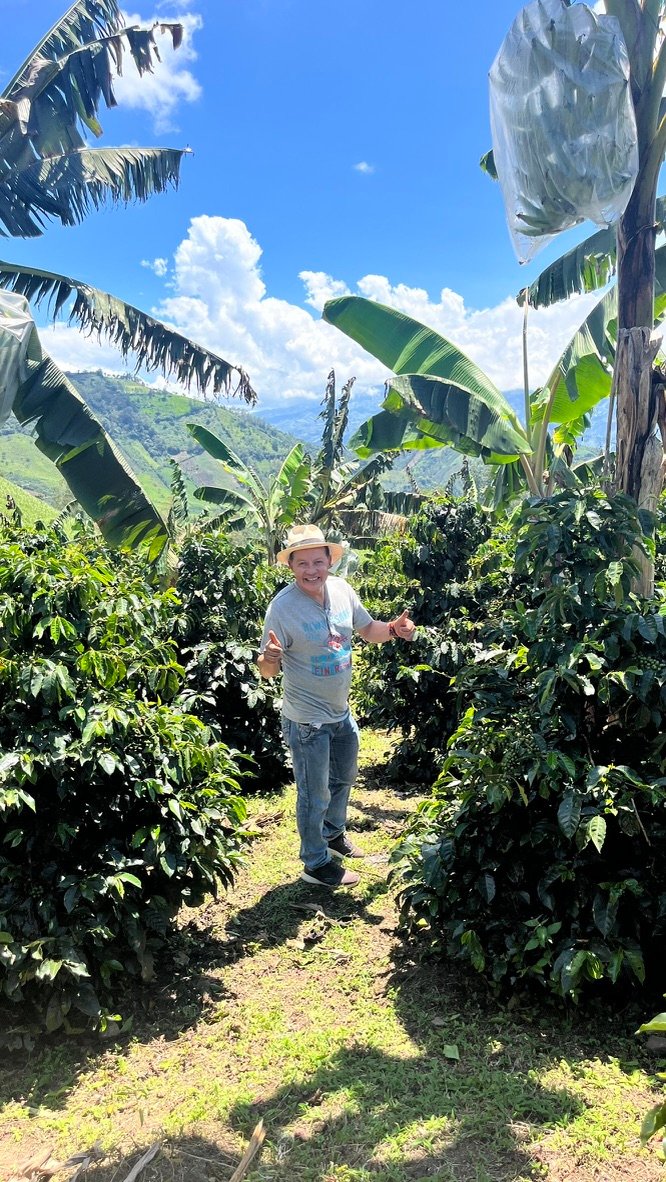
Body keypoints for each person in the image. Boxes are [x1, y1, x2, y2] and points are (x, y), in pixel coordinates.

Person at [258, 524, 416, 888]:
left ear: (330, 561)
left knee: (342, 780)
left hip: (341, 712)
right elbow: (267, 672)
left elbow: (368, 629)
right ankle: (315, 863)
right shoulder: (282, 608)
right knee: (315, 793)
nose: (311, 570)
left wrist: (393, 629)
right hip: (306, 720)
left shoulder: (343, 590)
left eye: (318, 561)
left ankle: (333, 835)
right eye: (302, 564)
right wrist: (270, 657)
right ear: (291, 566)